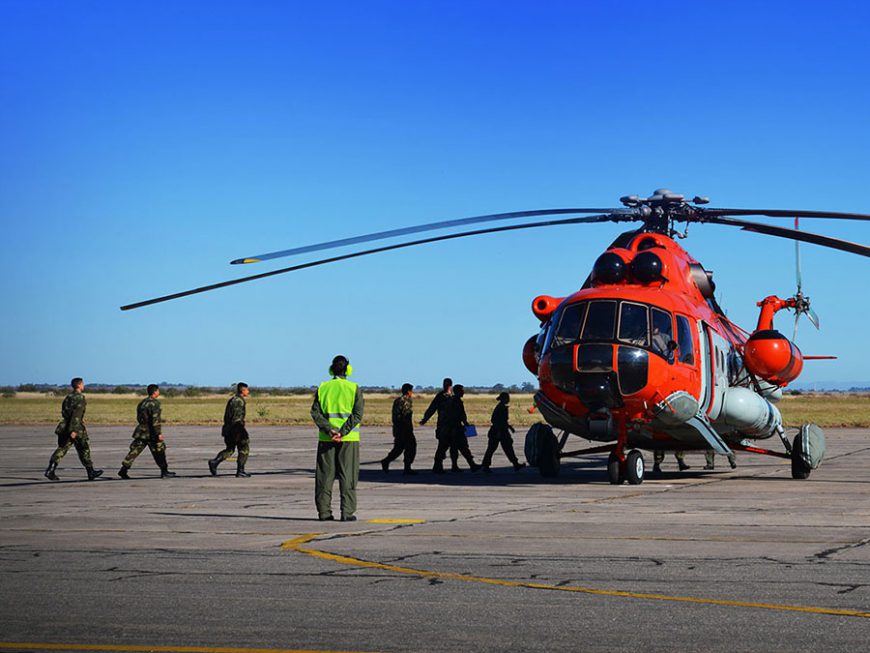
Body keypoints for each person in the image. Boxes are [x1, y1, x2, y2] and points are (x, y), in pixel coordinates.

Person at [311, 355, 365, 521]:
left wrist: (330, 431)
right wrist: (342, 432)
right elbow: (357, 415)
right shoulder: (354, 388)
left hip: (326, 439)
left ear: (331, 369)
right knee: (348, 476)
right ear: (348, 369)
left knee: (324, 477)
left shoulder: (323, 388)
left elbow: (315, 413)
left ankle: (324, 513)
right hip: (349, 440)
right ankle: (347, 512)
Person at [44, 377, 103, 481]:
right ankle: (91, 471)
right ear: (79, 385)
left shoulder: (68, 397)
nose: (83, 385)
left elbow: (65, 412)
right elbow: (76, 414)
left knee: (62, 448)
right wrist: (74, 430)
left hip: (65, 425)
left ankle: (50, 470)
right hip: (75, 428)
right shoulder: (80, 398)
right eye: (83, 384)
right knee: (84, 449)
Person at [119, 384, 176, 479]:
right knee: (159, 450)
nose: (159, 392)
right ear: (155, 392)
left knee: (134, 451)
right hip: (151, 433)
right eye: (158, 390)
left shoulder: (142, 403)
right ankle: (164, 471)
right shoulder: (154, 403)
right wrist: (158, 434)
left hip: (141, 431)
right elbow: (155, 420)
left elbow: (138, 417)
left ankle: (123, 470)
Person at [208, 382, 251, 478]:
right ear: (243, 390)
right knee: (244, 448)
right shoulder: (239, 401)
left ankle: (215, 462)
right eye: (247, 390)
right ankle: (240, 470)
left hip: (229, 429)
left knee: (230, 449)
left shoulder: (233, 399)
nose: (248, 391)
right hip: (236, 429)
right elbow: (236, 418)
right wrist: (239, 432)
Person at [439, 384, 480, 472]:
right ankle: (470, 465)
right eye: (462, 390)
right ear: (458, 391)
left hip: (451, 427)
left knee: (455, 447)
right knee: (462, 447)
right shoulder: (457, 401)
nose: (463, 392)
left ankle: (460, 465)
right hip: (455, 428)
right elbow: (459, 415)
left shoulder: (451, 400)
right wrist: (465, 423)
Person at [481, 392, 526, 473]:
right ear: (504, 398)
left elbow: (501, 421)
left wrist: (509, 427)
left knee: (505, 448)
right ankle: (486, 465)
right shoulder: (502, 408)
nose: (509, 399)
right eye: (507, 397)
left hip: (500, 430)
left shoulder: (500, 407)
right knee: (495, 448)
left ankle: (515, 464)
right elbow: (497, 421)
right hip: (499, 431)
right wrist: (499, 431)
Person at [381, 383, 417, 475]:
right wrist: (408, 429)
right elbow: (405, 416)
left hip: (398, 429)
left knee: (399, 448)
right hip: (404, 429)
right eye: (411, 391)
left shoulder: (398, 400)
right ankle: (407, 467)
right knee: (410, 447)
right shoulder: (406, 401)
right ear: (408, 391)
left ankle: (387, 461)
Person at [421, 378, 454, 474]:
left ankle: (454, 465)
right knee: (442, 446)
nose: (445, 386)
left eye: (447, 384)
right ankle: (437, 466)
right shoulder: (440, 396)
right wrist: (425, 418)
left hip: (453, 426)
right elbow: (432, 408)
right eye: (444, 384)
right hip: (443, 426)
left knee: (454, 446)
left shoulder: (453, 396)